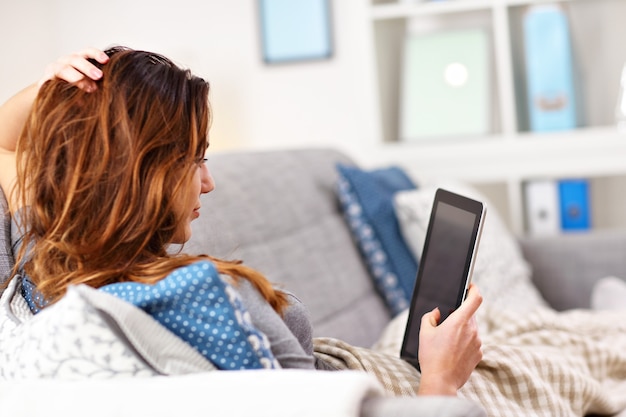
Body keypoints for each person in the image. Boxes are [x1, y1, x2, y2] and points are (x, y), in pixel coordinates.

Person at [0, 46, 482, 395]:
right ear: (140, 174)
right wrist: (441, 379)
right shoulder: (208, 300)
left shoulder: (45, 274)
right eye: (194, 161)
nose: (208, 183)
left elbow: (4, 145)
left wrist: (54, 92)